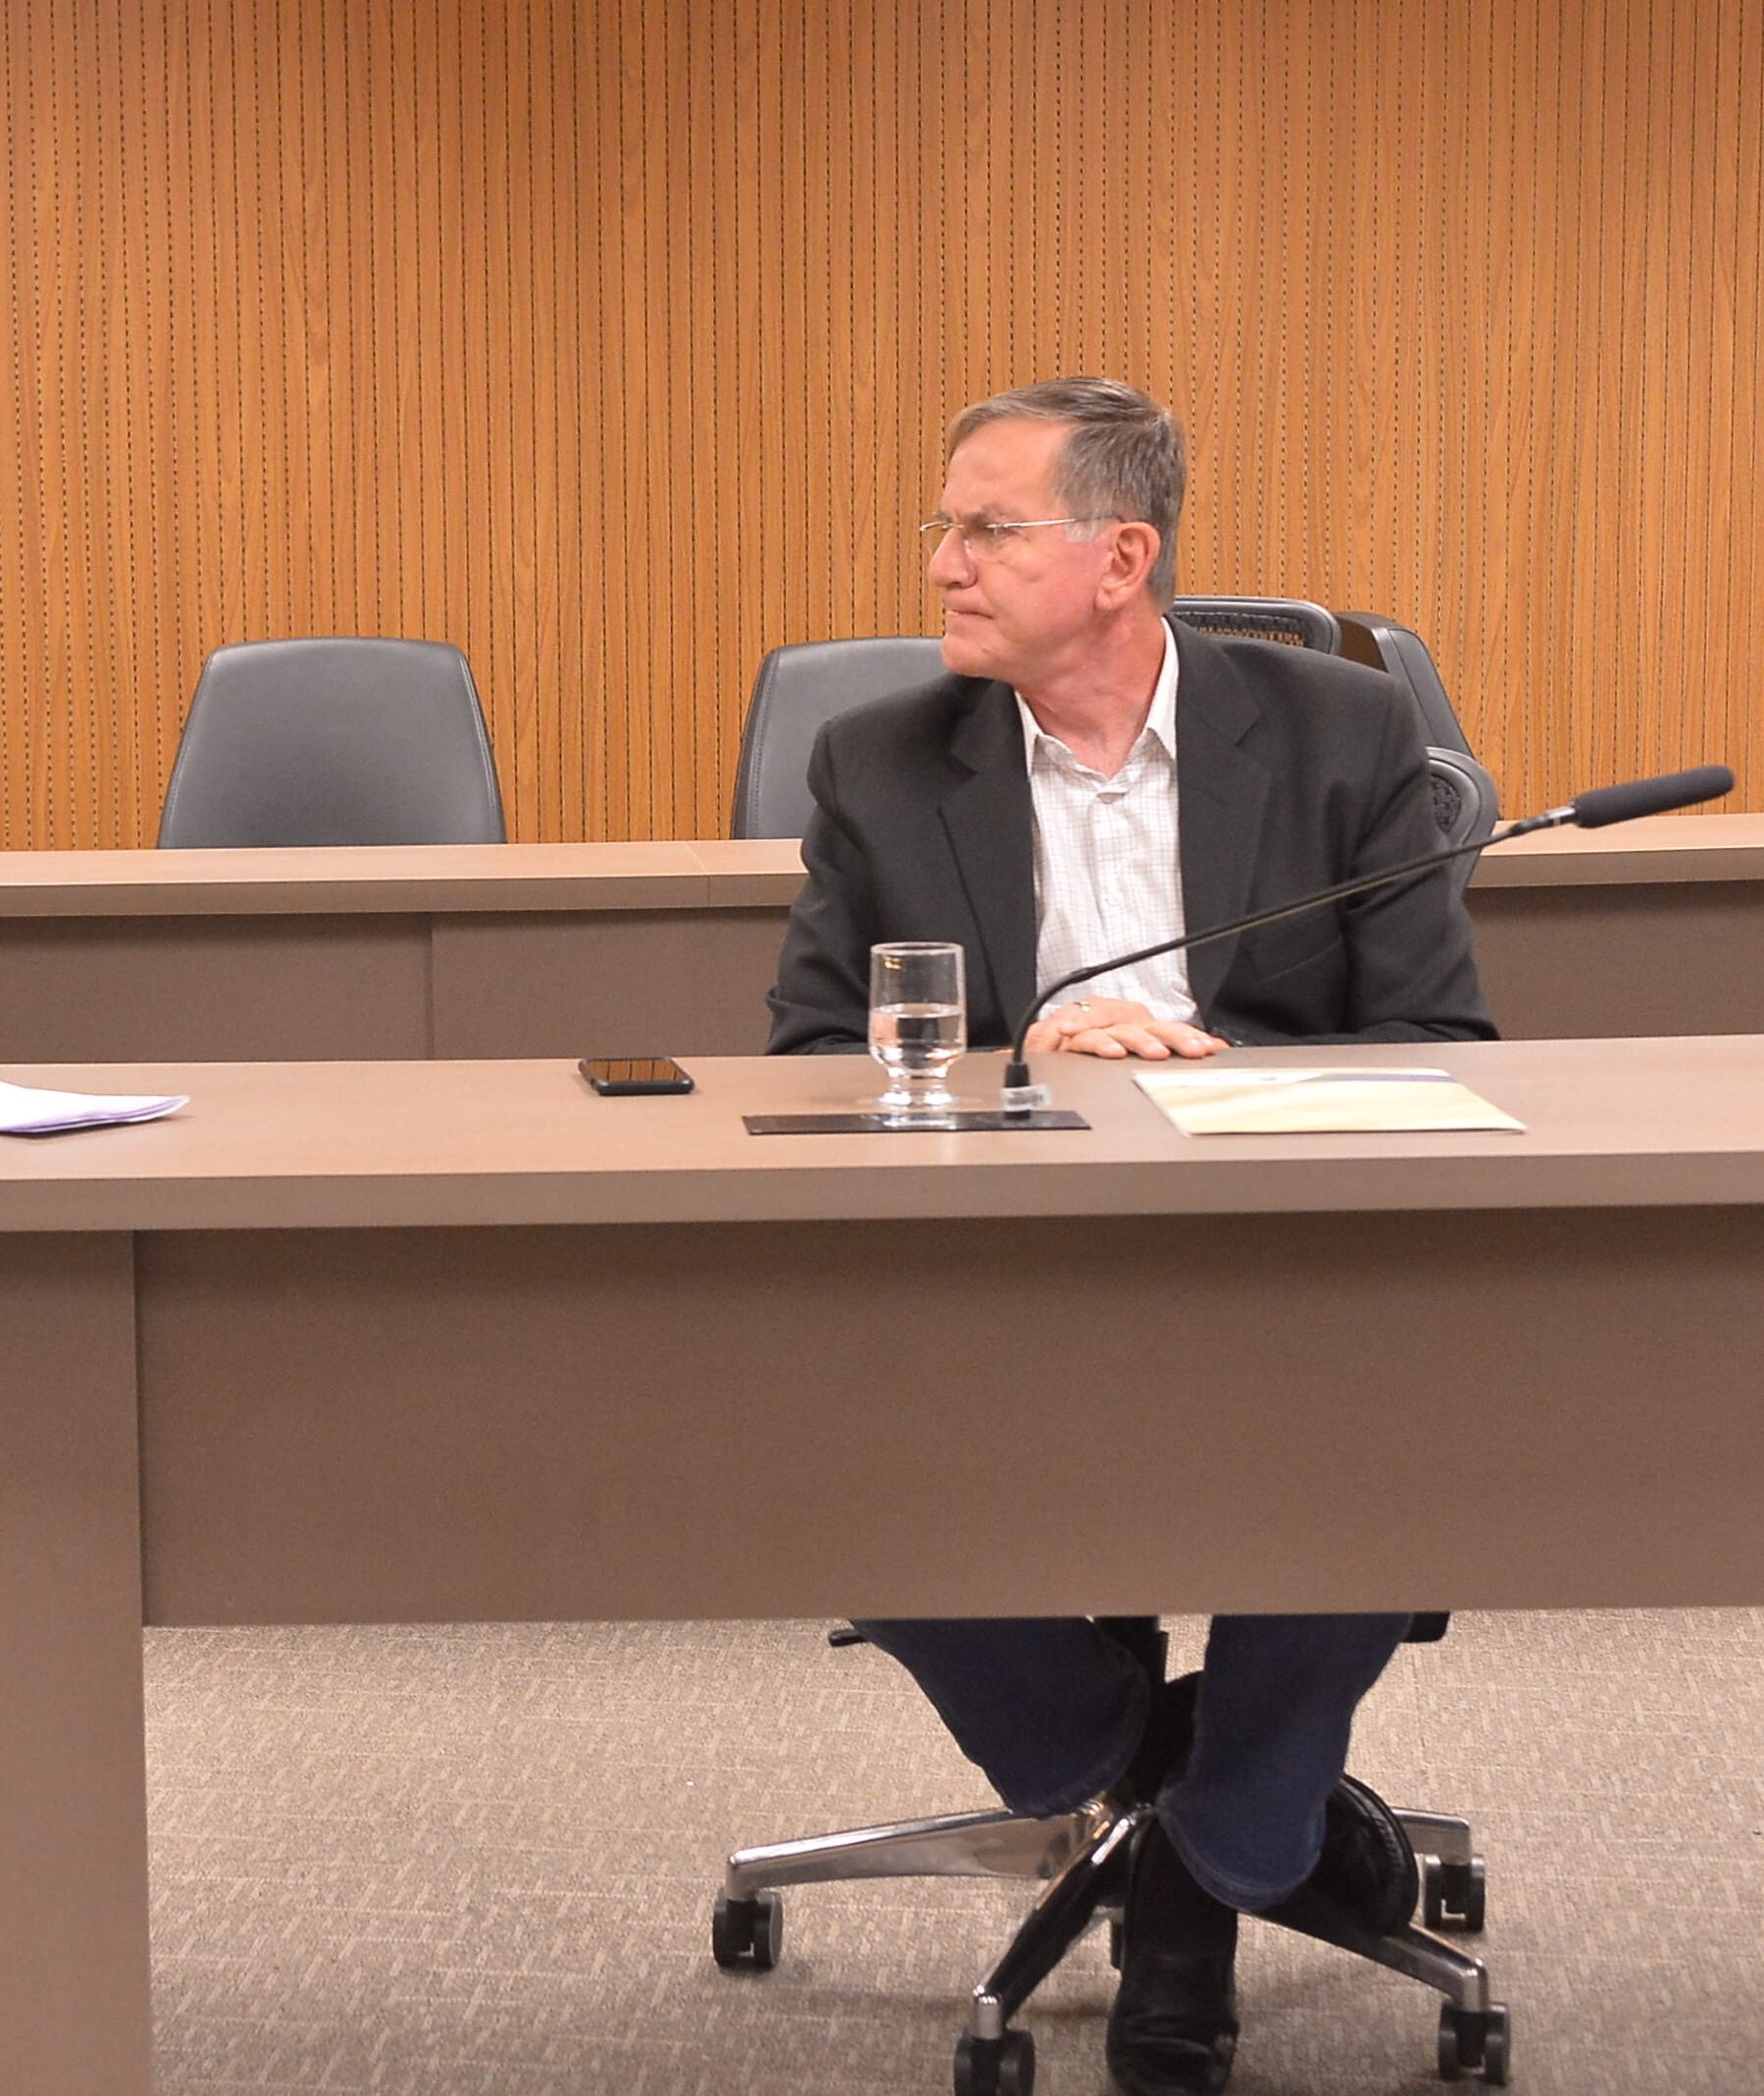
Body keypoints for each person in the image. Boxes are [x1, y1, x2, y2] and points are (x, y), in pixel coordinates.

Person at [765, 377, 1493, 2096]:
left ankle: (1220, 1845)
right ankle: (1196, 1787)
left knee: (1392, 1430)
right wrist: (1026, 1054)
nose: (942, 564)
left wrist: (1214, 1066)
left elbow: (1441, 1040)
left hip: (1285, 1265)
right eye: (942, 526)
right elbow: (804, 1053)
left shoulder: (1342, 732)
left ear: (1121, 557)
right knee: (816, 1442)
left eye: (986, 528)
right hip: (992, 1273)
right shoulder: (880, 760)